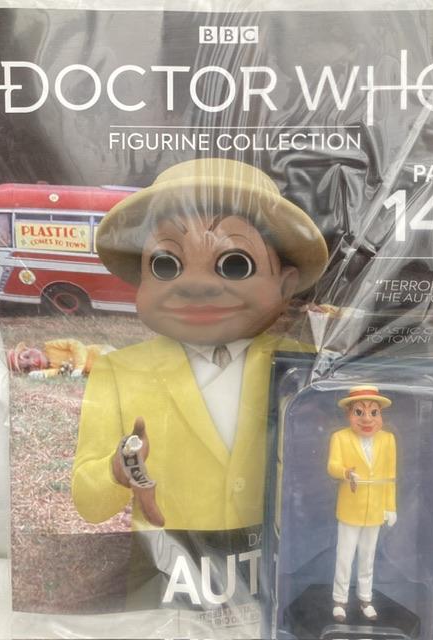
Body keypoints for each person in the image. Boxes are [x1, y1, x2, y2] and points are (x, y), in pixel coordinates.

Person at [71, 158, 329, 532]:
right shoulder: (119, 372)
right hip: (170, 563)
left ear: (285, 285)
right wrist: (118, 469)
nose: (195, 285)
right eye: (165, 265)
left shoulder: (305, 367)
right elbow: (88, 503)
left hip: (275, 558)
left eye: (235, 264)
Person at [327, 385, 397, 623]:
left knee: (367, 557)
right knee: (344, 556)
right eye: (359, 412)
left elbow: (390, 476)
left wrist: (390, 507)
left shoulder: (388, 440)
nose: (367, 419)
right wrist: (346, 472)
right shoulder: (340, 437)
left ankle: (365, 598)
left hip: (375, 510)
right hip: (350, 510)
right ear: (349, 414)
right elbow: (332, 466)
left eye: (373, 412)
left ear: (380, 415)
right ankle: (340, 600)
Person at [7, 339, 115, 378]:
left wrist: (79, 367)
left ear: (30, 348)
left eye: (27, 356)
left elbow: (76, 345)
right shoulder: (50, 367)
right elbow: (58, 372)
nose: (32, 362)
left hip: (101, 354)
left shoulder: (50, 346)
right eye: (27, 368)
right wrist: (43, 374)